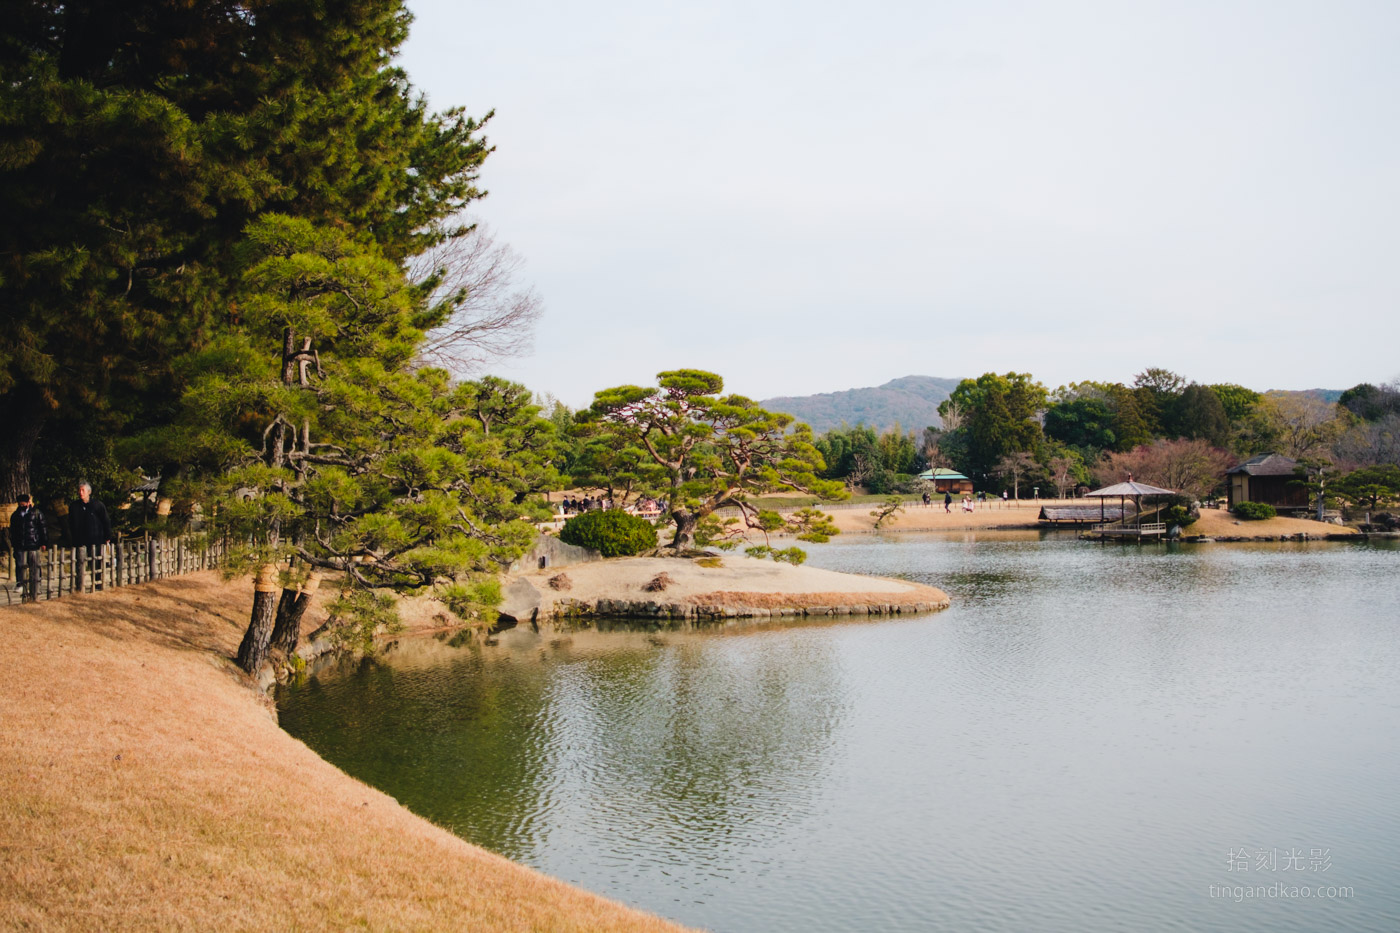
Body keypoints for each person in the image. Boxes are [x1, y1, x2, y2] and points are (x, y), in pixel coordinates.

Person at [69, 481, 113, 591]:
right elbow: (70, 523)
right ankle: (79, 585)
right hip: (79, 540)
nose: (80, 492)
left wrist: (107, 536)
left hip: (95, 539)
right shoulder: (74, 506)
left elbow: (105, 521)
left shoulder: (98, 505)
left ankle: (97, 584)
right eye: (79, 490)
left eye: (83, 490)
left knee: (96, 563)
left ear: (89, 492)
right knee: (79, 563)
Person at [9, 494, 48, 603]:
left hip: (33, 543)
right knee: (20, 564)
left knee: (34, 564)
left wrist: (44, 542)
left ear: (28, 503)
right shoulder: (15, 515)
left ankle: (37, 582)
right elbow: (12, 531)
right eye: (20, 504)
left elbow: (42, 528)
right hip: (20, 544)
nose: (22, 505)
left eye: (24, 503)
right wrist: (14, 543)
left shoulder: (36, 513)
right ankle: (20, 583)